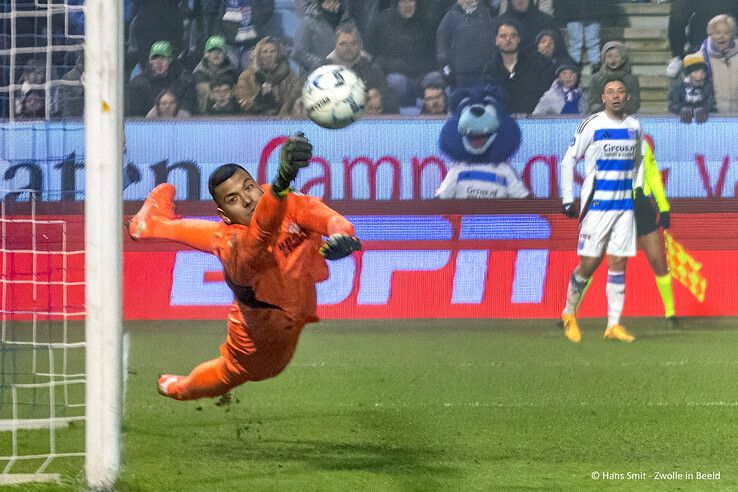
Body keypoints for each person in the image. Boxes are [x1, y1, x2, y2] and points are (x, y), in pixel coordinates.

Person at [127, 133, 362, 400]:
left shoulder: (284, 201)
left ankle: (150, 225)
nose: (247, 199)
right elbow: (262, 229)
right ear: (225, 216)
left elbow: (324, 216)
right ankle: (180, 388)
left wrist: (343, 234)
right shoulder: (237, 245)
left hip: (291, 302)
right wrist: (282, 180)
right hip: (261, 332)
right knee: (233, 370)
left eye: (249, 187)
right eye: (233, 199)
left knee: (218, 234)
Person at [559, 78, 644, 343]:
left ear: (627, 97)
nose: (616, 96)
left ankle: (613, 324)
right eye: (610, 92)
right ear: (603, 97)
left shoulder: (634, 127)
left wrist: (638, 188)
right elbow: (568, 159)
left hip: (624, 207)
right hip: (597, 206)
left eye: (620, 92)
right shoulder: (592, 125)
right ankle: (569, 312)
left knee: (618, 263)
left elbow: (639, 160)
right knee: (589, 264)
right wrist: (567, 198)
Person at [634, 136, 678, 327]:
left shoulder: (642, 144)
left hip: (639, 204)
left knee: (657, 259)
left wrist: (664, 207)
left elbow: (652, 175)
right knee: (593, 258)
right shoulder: (604, 141)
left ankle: (670, 313)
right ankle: (570, 312)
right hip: (613, 205)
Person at [365, 0, 439, 107]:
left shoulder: (428, 22)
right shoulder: (382, 22)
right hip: (396, 75)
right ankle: (401, 115)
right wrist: (392, 65)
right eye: (403, 1)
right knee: (396, 81)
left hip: (423, 76)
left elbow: (436, 54)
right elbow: (372, 54)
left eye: (410, 1)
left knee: (435, 77)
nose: (407, 5)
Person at [323, 21, 397, 113]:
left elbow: (389, 99)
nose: (348, 47)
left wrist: (380, 100)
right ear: (335, 45)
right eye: (343, 44)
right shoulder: (322, 69)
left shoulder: (372, 66)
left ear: (360, 45)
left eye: (352, 43)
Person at [484, 21, 555, 114]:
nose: (508, 40)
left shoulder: (536, 64)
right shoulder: (490, 69)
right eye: (503, 36)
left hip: (533, 121)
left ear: (519, 39)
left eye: (513, 36)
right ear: (496, 40)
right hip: (503, 122)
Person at [235, 36, 302, 116]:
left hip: (284, 120)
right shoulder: (246, 76)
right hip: (255, 120)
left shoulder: (290, 76)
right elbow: (244, 104)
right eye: (265, 52)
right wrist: (260, 97)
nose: (269, 55)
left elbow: (296, 98)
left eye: (273, 51)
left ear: (278, 54)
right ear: (258, 55)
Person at [127, 41, 197, 116]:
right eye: (154, 58)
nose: (158, 62)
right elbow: (133, 116)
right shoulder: (137, 85)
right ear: (149, 61)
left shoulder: (184, 81)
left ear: (170, 60)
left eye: (163, 58)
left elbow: (190, 108)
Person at [436, 0, 496, 88]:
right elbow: (442, 50)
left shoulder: (487, 14)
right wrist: (448, 73)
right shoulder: (450, 17)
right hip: (461, 78)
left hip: (487, 75)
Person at [293, 0, 352, 74]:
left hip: (345, 73)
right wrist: (322, 63)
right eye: (328, 2)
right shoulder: (308, 22)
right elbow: (298, 53)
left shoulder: (346, 21)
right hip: (317, 76)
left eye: (336, 2)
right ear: (320, 4)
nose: (332, 6)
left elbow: (355, 45)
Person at [588, 41, 641, 115]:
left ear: (623, 57)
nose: (613, 60)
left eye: (617, 56)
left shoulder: (631, 79)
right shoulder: (596, 79)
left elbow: (634, 104)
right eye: (609, 56)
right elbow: (593, 103)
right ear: (604, 58)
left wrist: (618, 111)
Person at [700, 14, 738, 113]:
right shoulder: (701, 56)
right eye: (717, 33)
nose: (721, 36)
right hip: (713, 115)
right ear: (710, 34)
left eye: (726, 33)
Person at [193, 35, 239, 114]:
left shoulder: (232, 72)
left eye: (220, 51)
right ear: (205, 54)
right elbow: (208, 93)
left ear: (225, 54)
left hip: (230, 113)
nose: (216, 54)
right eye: (211, 51)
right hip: (204, 116)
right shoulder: (198, 72)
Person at [668, 52, 716, 123]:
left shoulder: (708, 87)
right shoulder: (679, 88)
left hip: (705, 122)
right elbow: (673, 104)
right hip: (683, 123)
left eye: (702, 71)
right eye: (696, 71)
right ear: (689, 72)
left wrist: (705, 109)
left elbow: (712, 103)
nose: (700, 74)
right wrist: (681, 109)